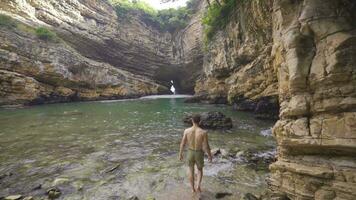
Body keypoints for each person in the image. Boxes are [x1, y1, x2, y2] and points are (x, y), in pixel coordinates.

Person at [179, 114, 212, 193]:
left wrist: (180, 153)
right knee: (200, 170)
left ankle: (192, 189)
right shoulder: (203, 132)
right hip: (199, 152)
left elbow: (182, 143)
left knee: (191, 171)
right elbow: (206, 146)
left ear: (192, 121)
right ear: (200, 121)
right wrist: (210, 155)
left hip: (190, 152)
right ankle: (198, 186)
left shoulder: (186, 131)